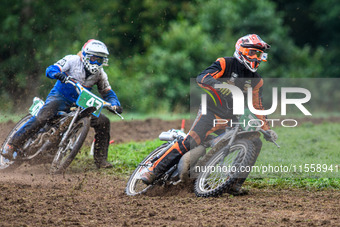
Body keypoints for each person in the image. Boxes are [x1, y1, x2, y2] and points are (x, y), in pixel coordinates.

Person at [141, 34, 278, 187]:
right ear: (242, 50)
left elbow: (257, 106)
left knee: (254, 140)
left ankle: (234, 183)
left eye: (259, 54)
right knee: (191, 141)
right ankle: (153, 169)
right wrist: (220, 86)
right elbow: (202, 77)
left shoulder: (257, 80)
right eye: (253, 53)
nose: (257, 57)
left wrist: (267, 129)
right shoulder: (225, 63)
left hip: (232, 119)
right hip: (210, 111)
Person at [1, 39, 122, 169]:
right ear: (85, 55)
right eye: (94, 59)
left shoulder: (100, 74)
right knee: (43, 117)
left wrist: (115, 104)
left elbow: (108, 93)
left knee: (103, 122)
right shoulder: (72, 60)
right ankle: (12, 144)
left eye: (100, 60)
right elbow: (51, 69)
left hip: (81, 104)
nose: (96, 63)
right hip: (60, 97)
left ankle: (101, 160)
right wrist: (58, 74)